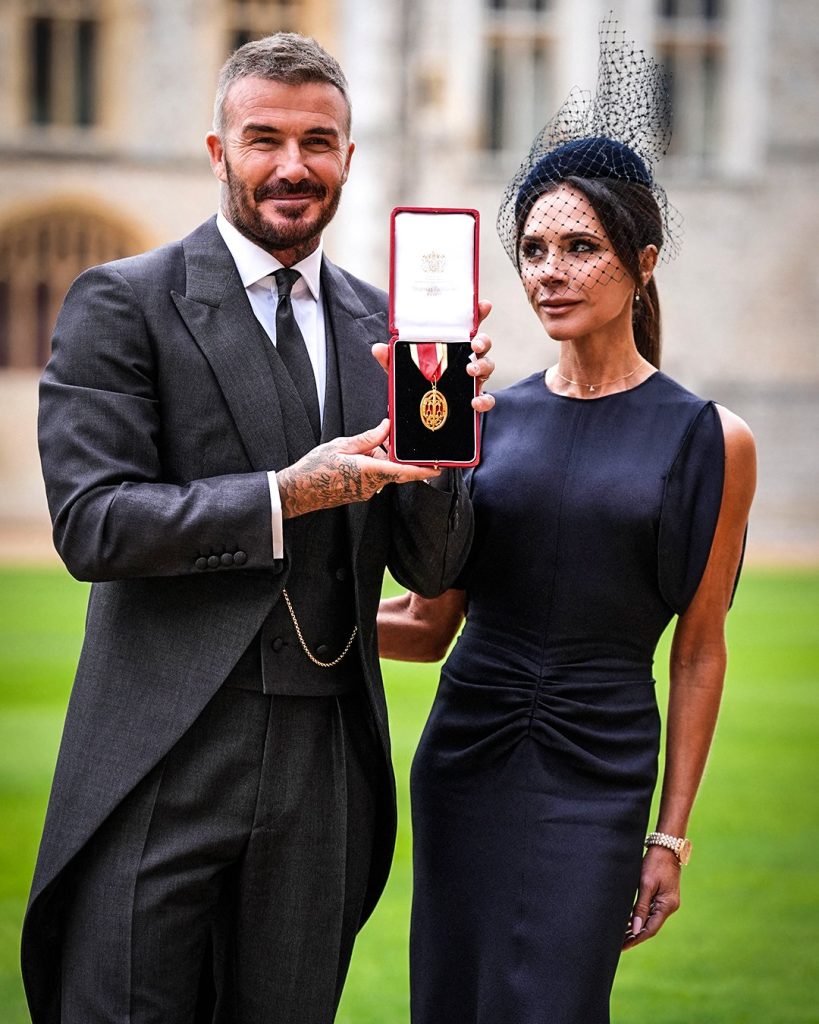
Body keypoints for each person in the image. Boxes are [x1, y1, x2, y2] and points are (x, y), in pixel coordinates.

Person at [22, 32, 495, 1024]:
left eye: (318, 142)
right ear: (218, 151)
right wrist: (288, 494)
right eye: (264, 138)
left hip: (324, 761)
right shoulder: (124, 304)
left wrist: (453, 443)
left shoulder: (390, 322)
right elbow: (91, 523)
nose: (293, 166)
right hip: (168, 745)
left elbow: (434, 559)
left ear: (349, 160)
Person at [378, 22, 756, 1024]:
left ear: (644, 259)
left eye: (580, 247)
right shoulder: (485, 419)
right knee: (450, 1002)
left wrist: (669, 837)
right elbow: (425, 626)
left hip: (600, 767)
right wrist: (276, 599)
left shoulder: (713, 438)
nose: (550, 269)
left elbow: (702, 651)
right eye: (535, 249)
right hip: (466, 755)